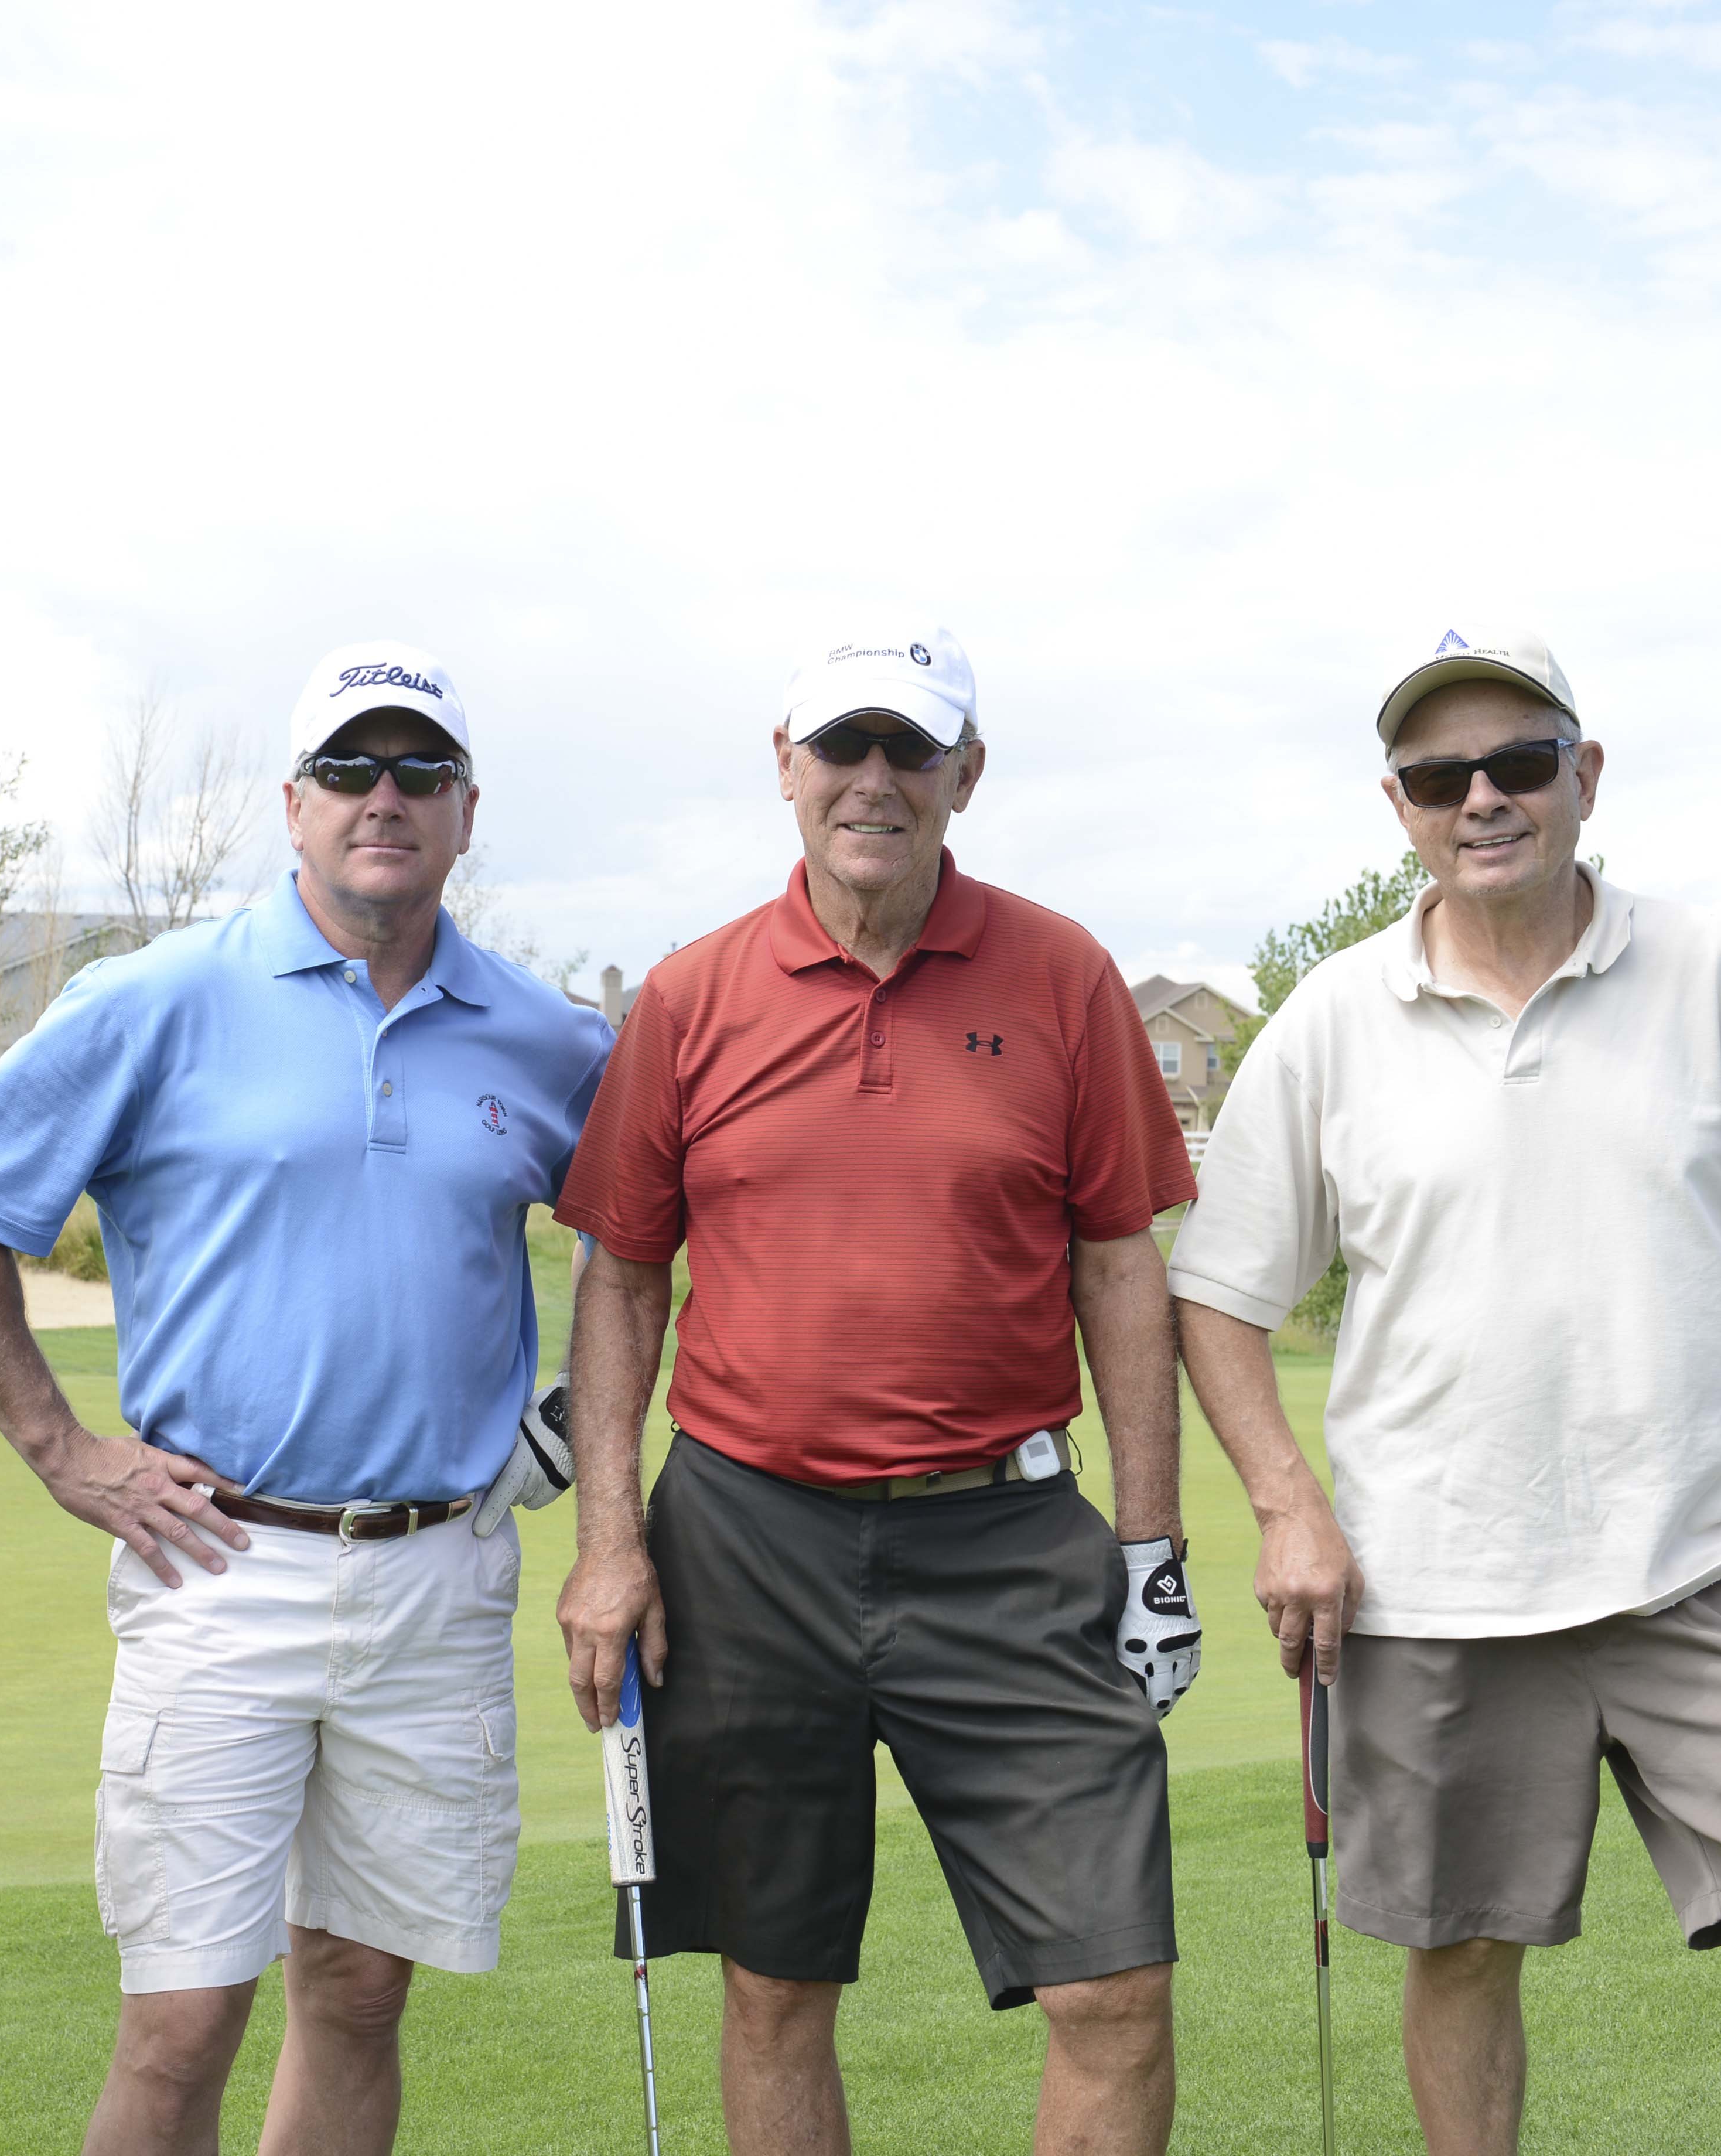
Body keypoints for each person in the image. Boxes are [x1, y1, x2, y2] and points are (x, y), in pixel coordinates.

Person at [1170, 630, 1721, 2156]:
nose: (1482, 799)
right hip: (1434, 1587)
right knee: (1460, 1956)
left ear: (1584, 777)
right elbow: (1216, 1293)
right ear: (1399, 806)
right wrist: (1287, 1506)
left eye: (1519, 765)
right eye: (1438, 776)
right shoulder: (1332, 1023)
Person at [0, 641, 613, 2156]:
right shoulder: (158, 999)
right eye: (350, 769)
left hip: (440, 1573)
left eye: (420, 771)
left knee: (356, 1992)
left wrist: (572, 1426)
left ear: (466, 813)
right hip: (220, 1566)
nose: (383, 799)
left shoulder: (543, 1037)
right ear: (293, 805)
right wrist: (61, 1449)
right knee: (182, 2015)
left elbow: (654, 1228)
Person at [554, 626, 1201, 2156]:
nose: (874, 781)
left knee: (1113, 1987)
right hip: (745, 1539)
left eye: (910, 751)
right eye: (842, 747)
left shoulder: (1065, 976)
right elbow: (623, 1280)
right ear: (785, 769)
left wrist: (1153, 1547)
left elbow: (1121, 1263)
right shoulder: (691, 995)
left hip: (1008, 1538)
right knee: (777, 1988)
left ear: (964, 776)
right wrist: (607, 1543)